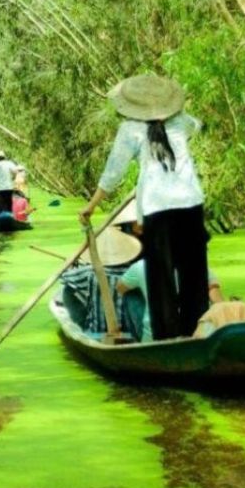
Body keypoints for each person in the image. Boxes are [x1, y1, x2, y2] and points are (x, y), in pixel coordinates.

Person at [78, 74, 208, 340]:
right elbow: (199, 125)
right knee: (194, 274)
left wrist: (92, 206)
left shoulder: (130, 129)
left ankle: (167, 339)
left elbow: (114, 171)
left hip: (157, 207)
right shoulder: (181, 121)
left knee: (160, 279)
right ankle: (196, 333)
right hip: (191, 202)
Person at [115, 258, 223, 343]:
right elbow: (217, 301)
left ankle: (130, 334)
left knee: (130, 295)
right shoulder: (198, 265)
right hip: (197, 334)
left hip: (153, 336)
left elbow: (120, 287)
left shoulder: (141, 265)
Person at [0, 150, 18, 219]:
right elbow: (15, 171)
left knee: (2, 205)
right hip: (9, 188)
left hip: (0, 189)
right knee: (9, 204)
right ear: (4, 157)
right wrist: (13, 177)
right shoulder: (9, 163)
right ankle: (10, 217)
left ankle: (4, 218)